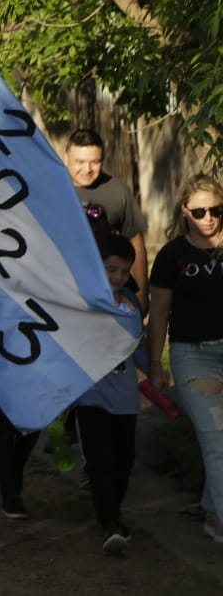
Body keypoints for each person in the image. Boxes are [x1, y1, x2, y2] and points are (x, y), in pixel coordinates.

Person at [148, 172, 223, 542]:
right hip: (194, 355)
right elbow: (159, 312)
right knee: (216, 437)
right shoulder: (172, 256)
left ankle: (212, 511)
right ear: (184, 211)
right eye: (199, 212)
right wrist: (154, 365)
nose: (208, 218)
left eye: (216, 210)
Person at [75, 232, 143, 556]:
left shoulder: (131, 304)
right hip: (92, 397)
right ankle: (110, 523)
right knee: (100, 461)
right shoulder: (82, 303)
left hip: (126, 399)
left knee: (122, 462)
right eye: (111, 269)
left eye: (124, 271)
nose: (118, 276)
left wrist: (156, 370)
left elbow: (137, 349)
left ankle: (113, 513)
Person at [65, 128, 149, 305]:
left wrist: (141, 293)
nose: (87, 169)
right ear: (66, 158)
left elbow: (135, 241)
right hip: (65, 288)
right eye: (80, 162)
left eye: (95, 162)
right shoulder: (52, 189)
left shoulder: (118, 191)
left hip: (111, 293)